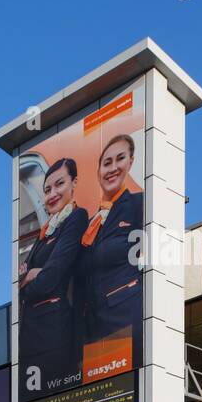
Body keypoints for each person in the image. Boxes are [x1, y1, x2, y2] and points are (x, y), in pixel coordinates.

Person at [19, 157, 89, 387]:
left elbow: (52, 277)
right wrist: (30, 276)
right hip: (30, 337)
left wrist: (33, 278)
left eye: (59, 184)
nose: (52, 194)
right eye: (47, 189)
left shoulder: (77, 217)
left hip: (54, 333)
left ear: (74, 183)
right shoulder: (46, 230)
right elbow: (21, 284)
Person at [79, 133, 144, 343]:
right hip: (92, 327)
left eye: (120, 159)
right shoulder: (90, 223)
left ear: (130, 162)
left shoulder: (139, 203)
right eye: (107, 163)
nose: (113, 168)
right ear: (98, 171)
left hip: (126, 318)